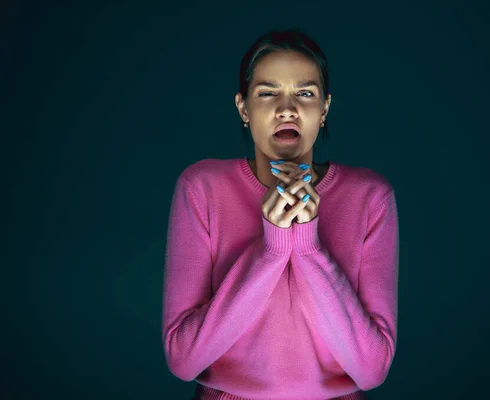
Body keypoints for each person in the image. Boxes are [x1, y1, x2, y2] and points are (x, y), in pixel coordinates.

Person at [162, 29, 399, 400]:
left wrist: (308, 248)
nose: (286, 109)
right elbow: (183, 360)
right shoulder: (201, 188)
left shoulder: (370, 197)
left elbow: (372, 370)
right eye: (268, 93)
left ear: (325, 109)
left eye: (304, 94)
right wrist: (272, 249)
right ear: (243, 108)